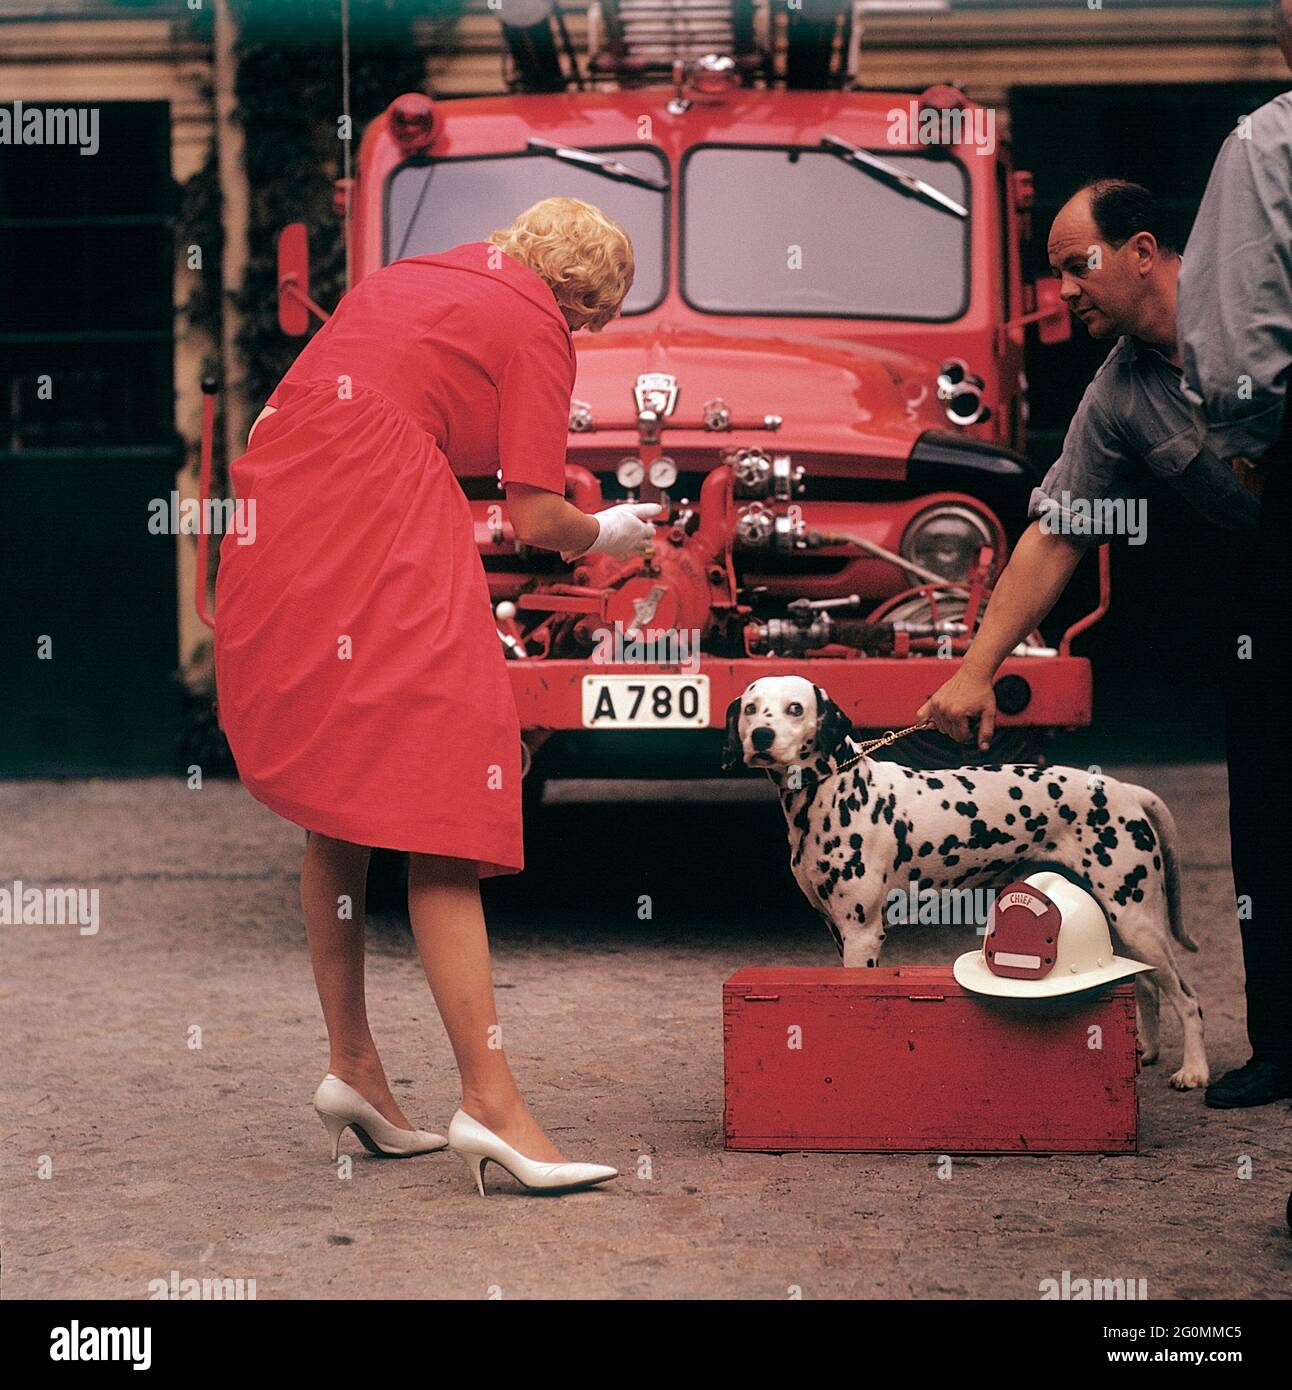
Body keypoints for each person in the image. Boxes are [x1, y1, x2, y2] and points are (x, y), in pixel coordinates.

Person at [214, 197, 659, 1193]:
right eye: (594, 316)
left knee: (341, 801)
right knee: (444, 790)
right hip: (375, 507)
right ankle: (490, 1102)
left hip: (278, 507)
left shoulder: (406, 281)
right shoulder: (533, 320)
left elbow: (323, 402)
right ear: (577, 291)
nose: (585, 333)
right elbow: (538, 514)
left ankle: (355, 1067)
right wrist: (610, 532)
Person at [917, 179, 1260, 1097]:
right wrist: (974, 674)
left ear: (1143, 251)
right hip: (1270, 577)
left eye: (1079, 266)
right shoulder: (1118, 396)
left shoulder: (1260, 293)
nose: (1063, 290)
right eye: (1057, 273)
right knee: (1268, 811)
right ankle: (1280, 1048)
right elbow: (1058, 531)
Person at [1174, 0, 1292, 1108]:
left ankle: (1285, 1038)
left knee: (1274, 783)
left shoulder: (1265, 144)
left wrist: (1253, 456)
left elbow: (1238, 357)